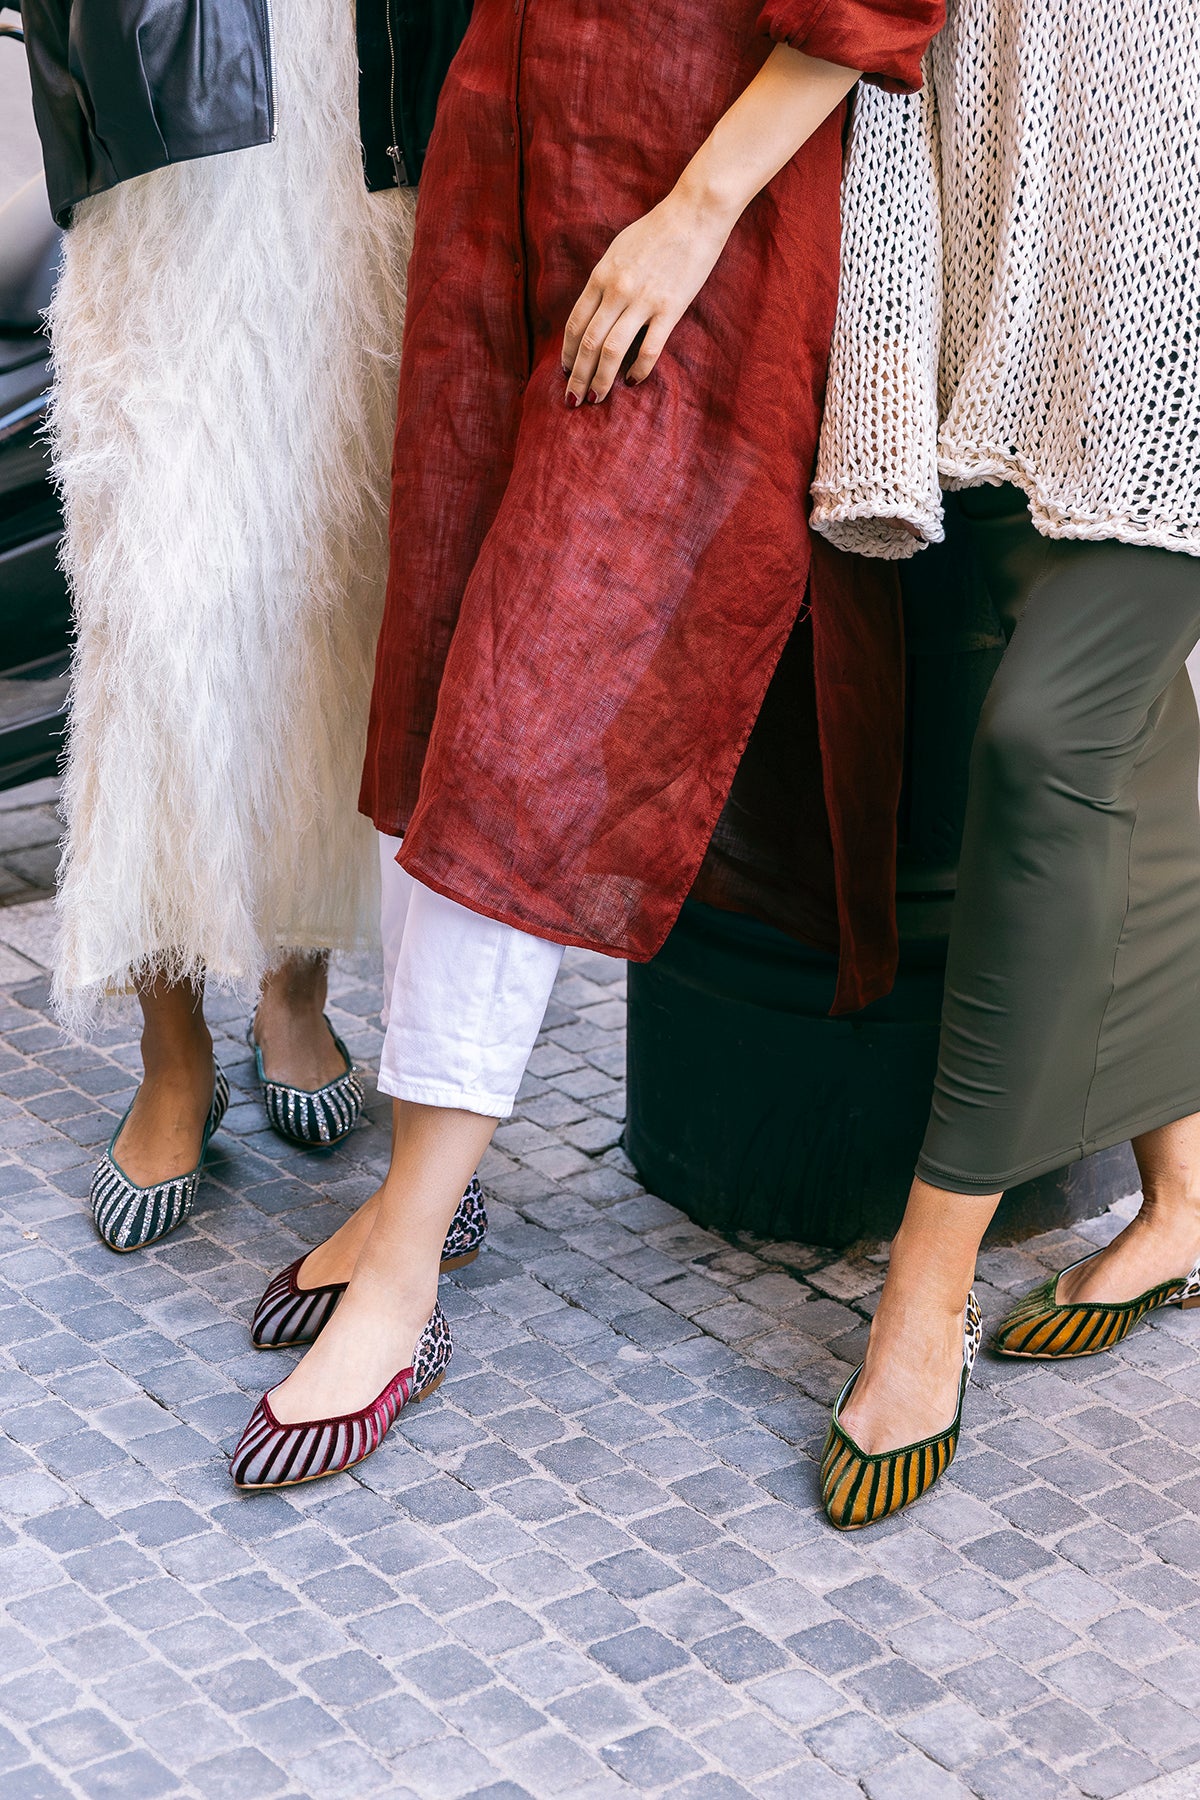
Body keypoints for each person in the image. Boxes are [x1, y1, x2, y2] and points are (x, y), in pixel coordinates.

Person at [228, 0, 946, 1492]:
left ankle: (406, 1266)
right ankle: (426, 1186)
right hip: (513, 133)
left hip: (706, 191)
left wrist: (695, 210)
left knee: (528, 715)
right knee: (439, 678)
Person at [809, 1, 1200, 1527]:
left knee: (1050, 741)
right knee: (1131, 726)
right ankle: (1183, 1203)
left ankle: (927, 1282)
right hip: (1040, 256)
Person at [20, 0, 470, 1252]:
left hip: (362, 103)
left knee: (336, 574)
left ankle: (296, 982)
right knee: (156, 611)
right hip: (161, 127)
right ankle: (174, 1054)